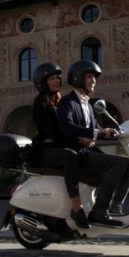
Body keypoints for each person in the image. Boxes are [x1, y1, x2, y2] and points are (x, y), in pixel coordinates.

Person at [57, 60, 129, 227]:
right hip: (77, 155)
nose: (94, 81)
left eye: (94, 78)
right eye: (90, 77)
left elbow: (96, 129)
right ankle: (99, 212)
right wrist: (93, 133)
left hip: (88, 153)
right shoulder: (67, 102)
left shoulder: (88, 105)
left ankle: (115, 206)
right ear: (78, 78)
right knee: (118, 165)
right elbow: (67, 127)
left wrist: (112, 132)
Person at [30, 62, 89, 229]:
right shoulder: (40, 102)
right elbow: (53, 133)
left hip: (58, 145)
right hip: (45, 149)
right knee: (70, 155)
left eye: (57, 78)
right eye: (51, 79)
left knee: (90, 153)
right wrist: (78, 139)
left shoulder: (60, 100)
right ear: (43, 82)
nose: (56, 81)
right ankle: (77, 208)